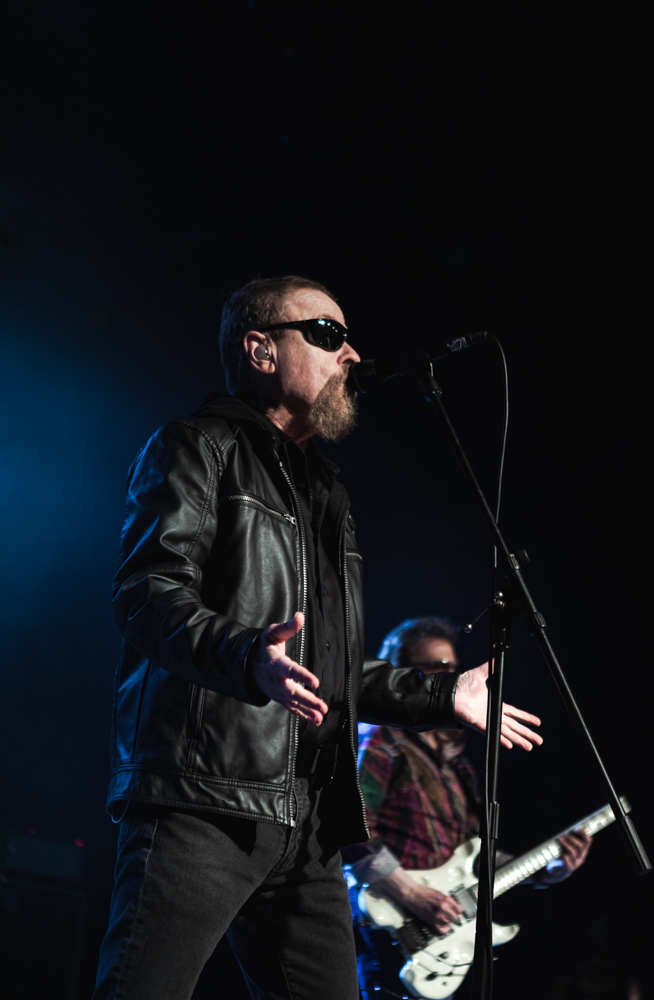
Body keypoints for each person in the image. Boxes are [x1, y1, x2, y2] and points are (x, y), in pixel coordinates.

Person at [92, 276, 543, 1000]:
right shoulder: (196, 446)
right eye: (328, 334)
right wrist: (246, 656)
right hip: (206, 802)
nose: (351, 353)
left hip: (309, 819)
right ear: (259, 349)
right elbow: (146, 596)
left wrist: (439, 695)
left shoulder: (325, 490)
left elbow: (328, 668)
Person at [346, 616, 592, 999]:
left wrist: (548, 869)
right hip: (391, 924)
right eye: (434, 666)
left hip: (443, 933)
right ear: (403, 672)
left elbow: (474, 852)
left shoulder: (454, 758)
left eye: (451, 666)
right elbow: (352, 825)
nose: (448, 674)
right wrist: (412, 895)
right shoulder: (381, 740)